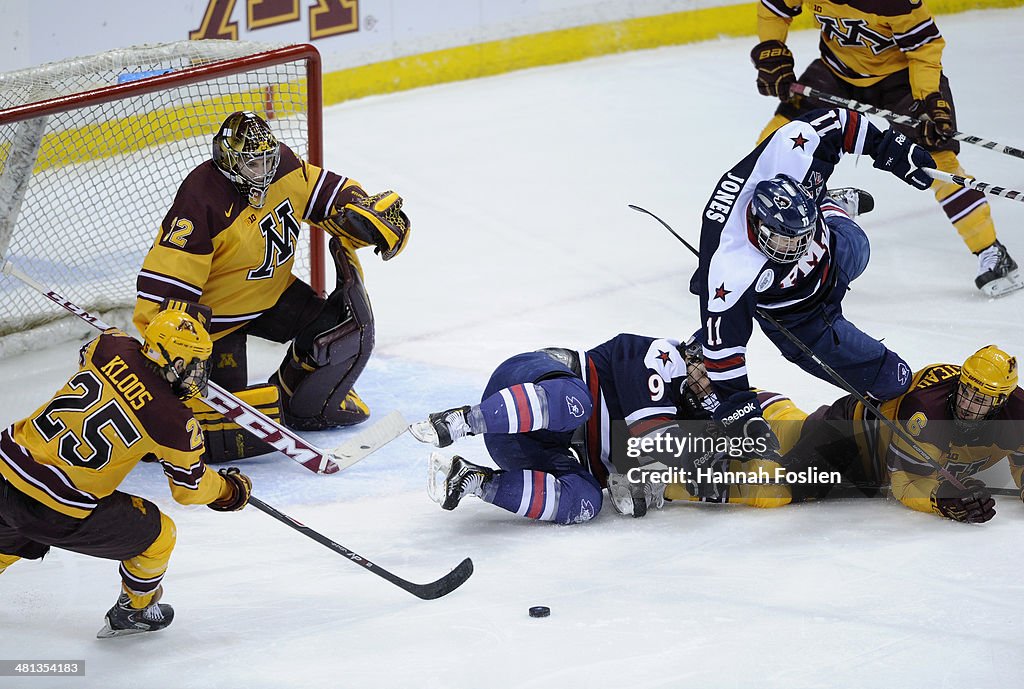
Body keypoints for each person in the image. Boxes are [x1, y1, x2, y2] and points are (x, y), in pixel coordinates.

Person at [133, 110, 411, 462]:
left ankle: (304, 404)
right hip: (216, 322)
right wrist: (172, 340)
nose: (264, 172)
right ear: (228, 160)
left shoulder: (284, 166)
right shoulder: (201, 199)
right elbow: (166, 281)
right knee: (219, 427)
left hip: (273, 294)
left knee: (342, 325)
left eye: (268, 160)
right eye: (254, 164)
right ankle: (151, 423)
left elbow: (326, 192)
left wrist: (360, 210)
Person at [692, 105, 935, 454]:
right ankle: (823, 205)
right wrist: (742, 413)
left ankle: (826, 203)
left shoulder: (790, 152)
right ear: (758, 226)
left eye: (799, 238)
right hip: (803, 318)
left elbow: (837, 121)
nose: (795, 250)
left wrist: (888, 146)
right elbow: (722, 354)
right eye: (783, 242)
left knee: (860, 247)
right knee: (892, 379)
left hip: (832, 247)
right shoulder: (731, 265)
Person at [0, 306, 252, 638]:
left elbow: (89, 364)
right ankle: (135, 610)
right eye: (194, 364)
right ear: (175, 363)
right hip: (53, 508)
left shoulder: (110, 345)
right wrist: (227, 490)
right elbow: (188, 489)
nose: (197, 374)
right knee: (160, 536)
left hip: (5, 466)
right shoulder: (175, 422)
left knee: (11, 528)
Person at [750, 0, 1021, 297]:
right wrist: (771, 49)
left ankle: (992, 251)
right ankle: (774, 234)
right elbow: (775, 8)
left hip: (902, 82)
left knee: (937, 164)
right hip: (836, 73)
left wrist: (928, 98)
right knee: (774, 143)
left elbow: (924, 48)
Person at [409, 333, 722, 523]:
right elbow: (655, 440)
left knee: (586, 501)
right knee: (577, 403)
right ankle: (462, 421)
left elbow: (629, 488)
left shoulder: (679, 416)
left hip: (524, 448)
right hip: (524, 383)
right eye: (707, 370)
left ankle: (477, 482)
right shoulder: (661, 356)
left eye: (715, 386)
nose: (707, 386)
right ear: (691, 352)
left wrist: (641, 483)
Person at [773, 344, 1024, 523]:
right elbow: (907, 483)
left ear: (1001, 401)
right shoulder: (927, 409)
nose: (967, 404)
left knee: (792, 430)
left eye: (979, 399)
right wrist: (943, 500)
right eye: (966, 391)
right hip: (852, 441)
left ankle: (768, 407)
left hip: (880, 469)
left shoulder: (1018, 413)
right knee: (775, 492)